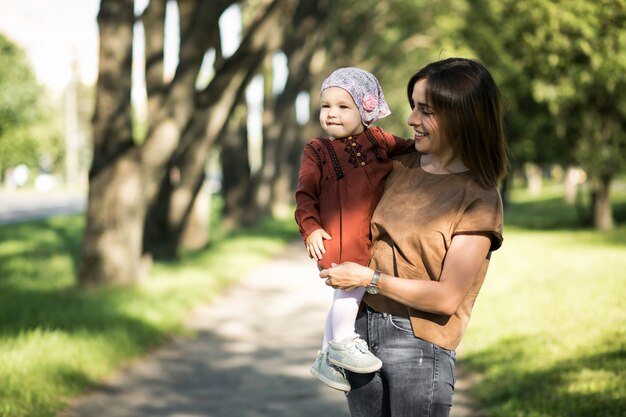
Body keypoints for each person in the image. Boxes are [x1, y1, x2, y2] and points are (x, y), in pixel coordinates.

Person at [319, 57, 509, 416]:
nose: (411, 120)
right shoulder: (397, 166)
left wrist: (368, 278)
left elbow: (447, 297)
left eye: (426, 110)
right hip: (361, 330)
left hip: (420, 345)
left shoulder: (478, 196)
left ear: (461, 116)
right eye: (413, 107)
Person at [295, 67, 415, 392]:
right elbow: (304, 194)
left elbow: (409, 146)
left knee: (342, 294)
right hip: (339, 233)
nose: (332, 113)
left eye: (342, 106)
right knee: (352, 287)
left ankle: (324, 356)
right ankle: (344, 342)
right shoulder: (317, 151)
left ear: (366, 109)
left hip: (366, 231)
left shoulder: (378, 140)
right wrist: (311, 229)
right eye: (326, 106)